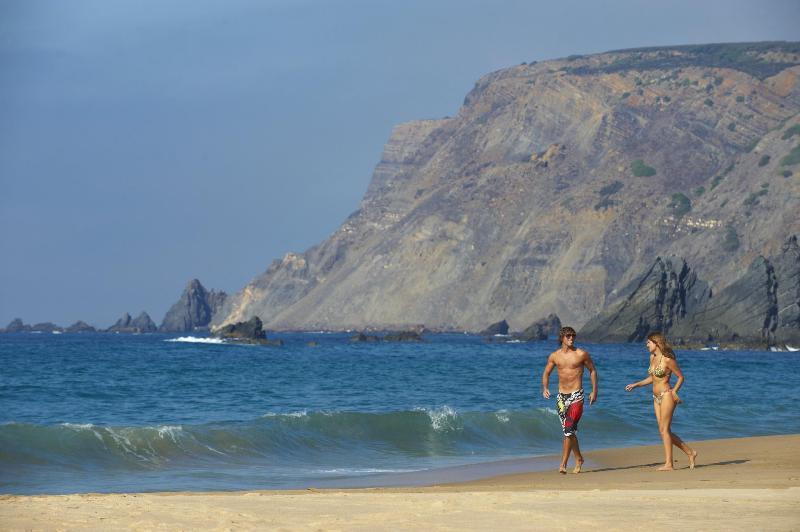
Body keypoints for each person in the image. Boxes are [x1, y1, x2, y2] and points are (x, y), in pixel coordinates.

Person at [625, 331, 697, 471]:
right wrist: (636, 384)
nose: (646, 345)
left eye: (648, 342)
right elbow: (653, 378)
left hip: (666, 395)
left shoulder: (667, 360)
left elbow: (681, 377)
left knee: (664, 430)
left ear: (656, 343)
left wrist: (674, 392)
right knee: (663, 431)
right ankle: (690, 453)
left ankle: (669, 464)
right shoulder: (652, 357)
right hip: (655, 398)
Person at [541, 326, 598, 474]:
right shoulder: (554, 356)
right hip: (561, 397)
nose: (571, 338)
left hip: (576, 396)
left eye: (573, 335)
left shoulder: (581, 354)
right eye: (568, 336)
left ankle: (563, 464)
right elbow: (546, 372)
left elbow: (592, 370)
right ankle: (579, 458)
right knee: (569, 432)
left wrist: (594, 391)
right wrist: (545, 388)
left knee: (568, 429)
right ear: (562, 338)